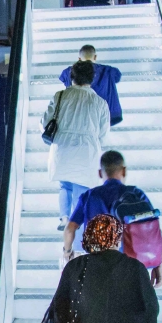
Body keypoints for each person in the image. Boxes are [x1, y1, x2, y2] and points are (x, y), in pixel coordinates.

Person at [62, 151, 162, 287]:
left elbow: (70, 229)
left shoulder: (89, 196)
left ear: (100, 173)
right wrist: (158, 264)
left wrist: (67, 252)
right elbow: (152, 229)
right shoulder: (136, 194)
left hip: (97, 266)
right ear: (124, 171)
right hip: (130, 265)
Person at [43, 60, 111, 229]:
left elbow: (45, 122)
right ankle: (75, 225)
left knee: (65, 185)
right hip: (87, 149)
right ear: (92, 78)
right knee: (82, 189)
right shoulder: (100, 102)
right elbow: (103, 133)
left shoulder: (59, 96)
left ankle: (64, 217)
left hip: (63, 146)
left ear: (71, 77)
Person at [59, 44, 123, 126]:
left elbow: (63, 78)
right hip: (107, 116)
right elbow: (117, 77)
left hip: (79, 116)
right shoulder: (109, 71)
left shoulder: (69, 72)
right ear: (95, 57)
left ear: (79, 59)